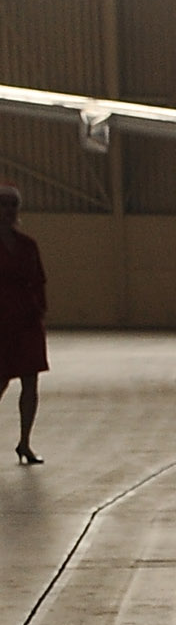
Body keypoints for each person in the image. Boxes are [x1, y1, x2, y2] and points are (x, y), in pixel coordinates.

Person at [0, 183, 48, 463]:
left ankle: (25, 443)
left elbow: (39, 280)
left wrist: (40, 311)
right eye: (3, 205)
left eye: (12, 206)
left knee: (30, 383)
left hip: (27, 320)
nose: (8, 211)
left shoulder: (28, 245)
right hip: (1, 320)